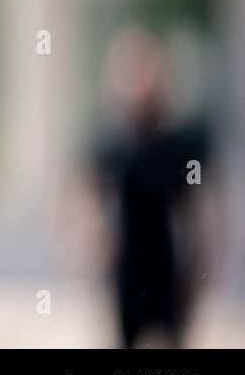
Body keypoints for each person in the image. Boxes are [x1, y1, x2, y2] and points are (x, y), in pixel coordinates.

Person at [90, 26, 215, 348]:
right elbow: (84, 195)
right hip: (125, 274)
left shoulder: (181, 142)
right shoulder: (110, 142)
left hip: (171, 272)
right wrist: (88, 242)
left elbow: (202, 206)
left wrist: (204, 264)